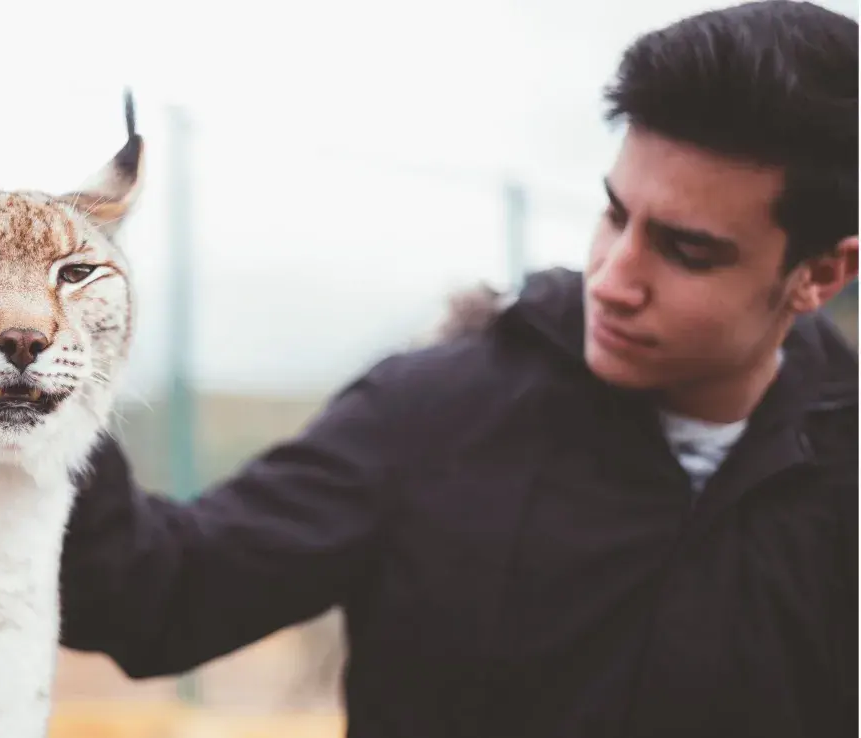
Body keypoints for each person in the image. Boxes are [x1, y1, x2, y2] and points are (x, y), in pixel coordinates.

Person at [57, 2, 859, 736]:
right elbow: (156, 594)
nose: (614, 279)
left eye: (686, 252)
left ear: (820, 276)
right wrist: (40, 376)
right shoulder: (437, 410)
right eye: (615, 213)